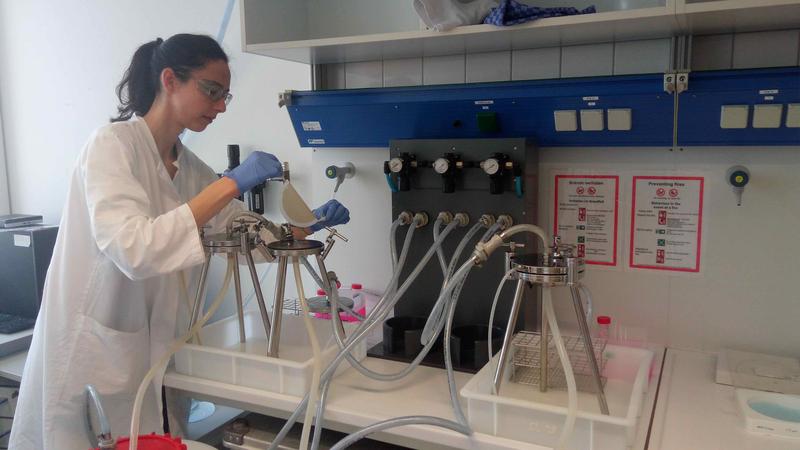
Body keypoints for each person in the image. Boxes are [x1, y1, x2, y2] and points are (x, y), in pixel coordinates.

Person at [9, 34, 350, 450]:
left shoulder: (190, 169)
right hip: (92, 362)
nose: (221, 105)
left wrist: (303, 227)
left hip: (159, 363)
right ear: (169, 80)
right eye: (212, 91)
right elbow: (135, 249)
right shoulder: (111, 147)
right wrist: (230, 183)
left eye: (226, 95)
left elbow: (247, 236)